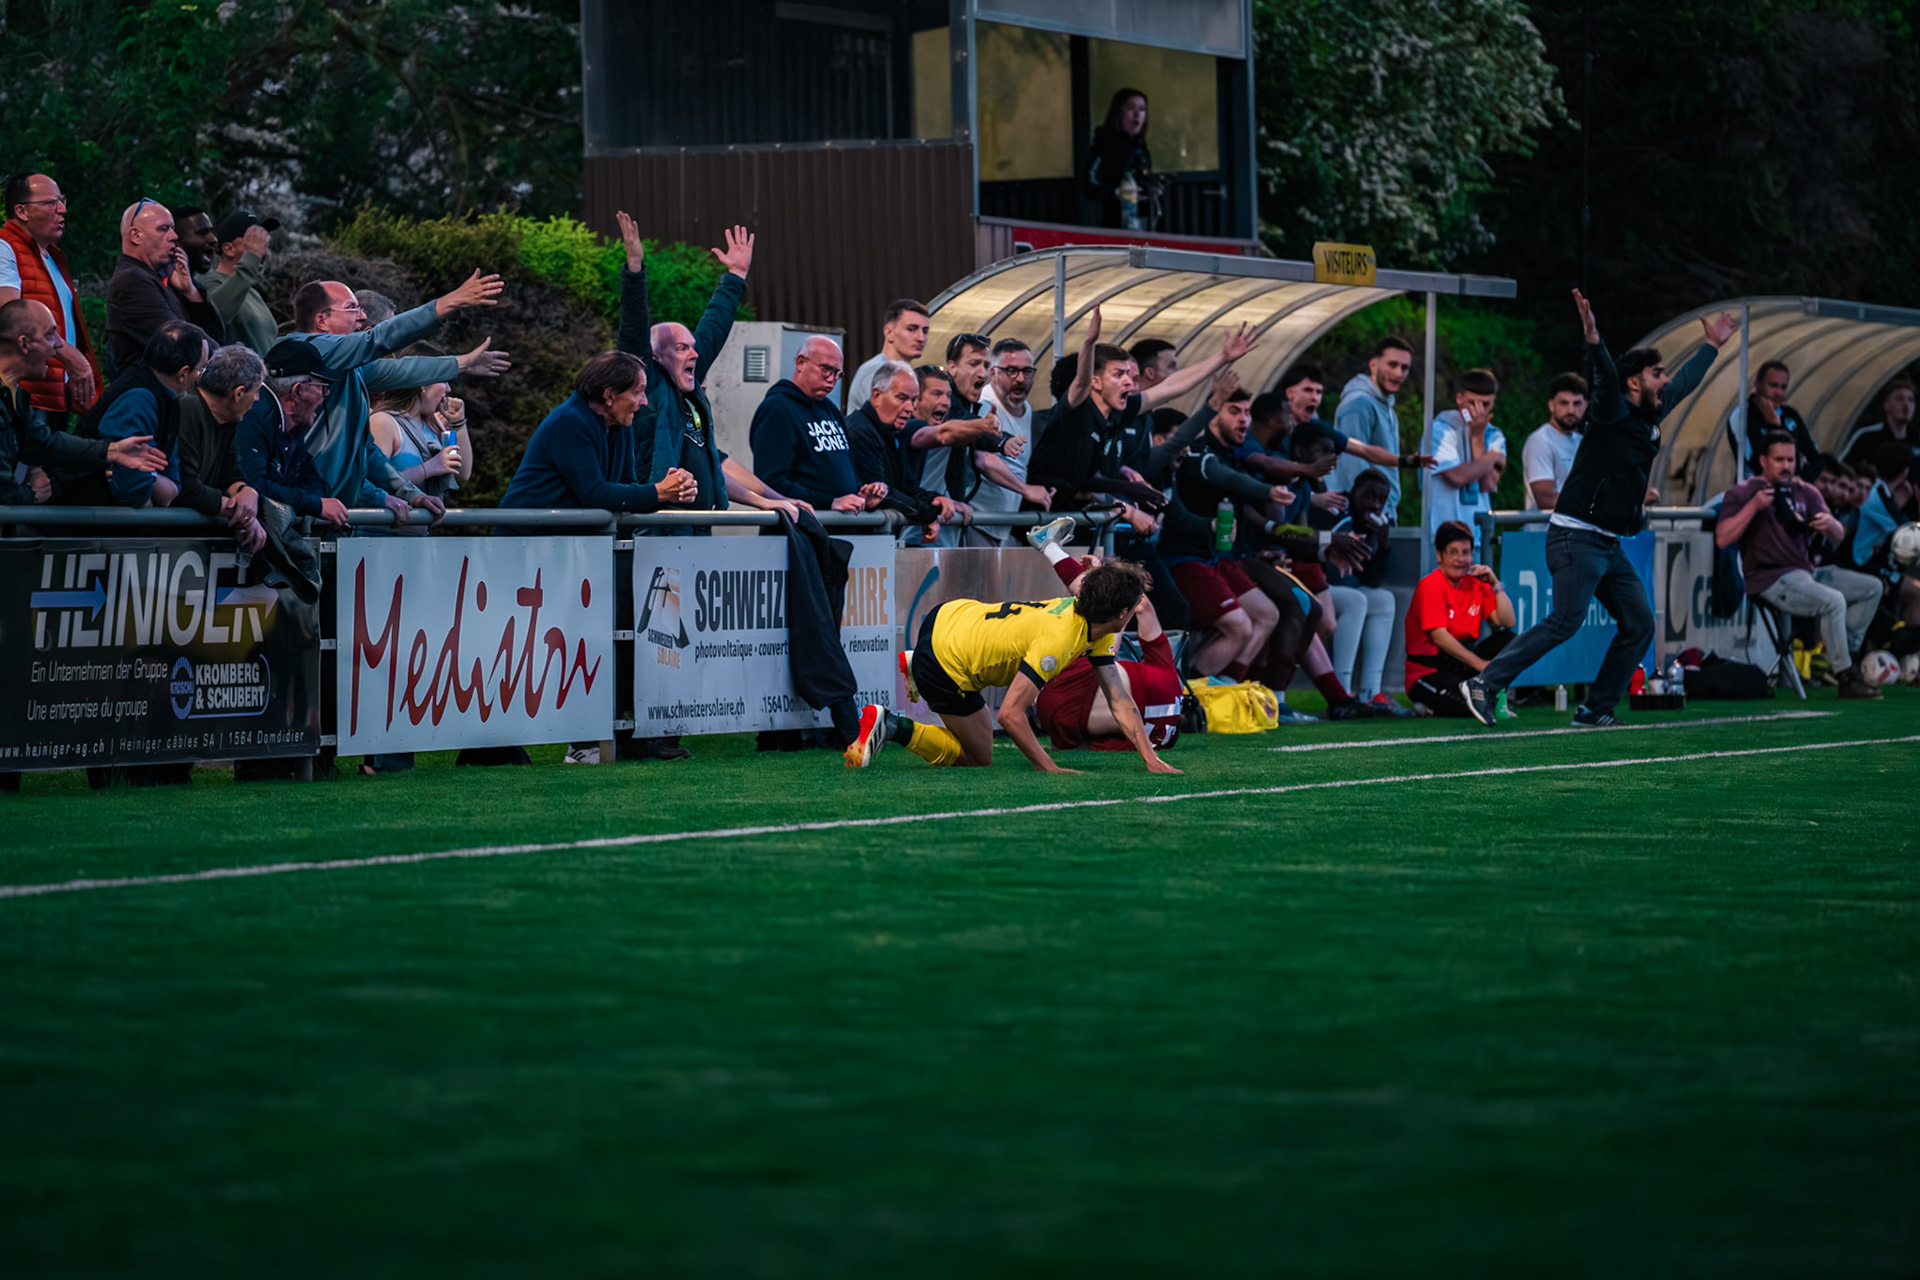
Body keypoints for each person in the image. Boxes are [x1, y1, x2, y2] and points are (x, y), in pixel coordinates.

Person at [1463, 290, 1735, 729]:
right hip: (1575, 535)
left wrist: (1713, 345)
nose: (1665, 381)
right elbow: (1607, 377)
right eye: (1656, 374)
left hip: (1606, 543)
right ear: (1634, 382)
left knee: (1639, 624)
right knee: (1565, 621)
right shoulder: (1611, 411)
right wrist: (1593, 339)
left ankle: (1595, 709)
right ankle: (1485, 683)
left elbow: (1686, 381)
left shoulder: (1651, 416)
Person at [1026, 305, 1260, 629]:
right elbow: (1079, 385)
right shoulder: (1076, 410)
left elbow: (1169, 387)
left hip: (1081, 531)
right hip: (1041, 534)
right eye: (1119, 374)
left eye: (1131, 375)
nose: (1129, 383)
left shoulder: (1119, 413)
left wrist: (1222, 358)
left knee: (1138, 617)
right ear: (1095, 381)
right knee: (1080, 627)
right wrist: (1090, 342)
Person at [843, 559, 1179, 775]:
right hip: (945, 660)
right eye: (1135, 605)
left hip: (951, 616)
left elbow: (1119, 699)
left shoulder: (1095, 623)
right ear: (1121, 613)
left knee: (979, 736)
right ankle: (892, 725)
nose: (1138, 608)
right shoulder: (1060, 640)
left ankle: (919, 662)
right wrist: (1048, 767)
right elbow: (1011, 714)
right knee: (978, 757)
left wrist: (1150, 759)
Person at [609, 212, 801, 528]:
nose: (695, 353)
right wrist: (634, 268)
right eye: (682, 347)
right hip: (657, 530)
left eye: (693, 346)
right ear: (656, 357)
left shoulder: (691, 387)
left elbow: (714, 325)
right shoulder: (649, 386)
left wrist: (736, 275)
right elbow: (632, 326)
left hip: (699, 529)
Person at [273, 271, 509, 521]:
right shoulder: (313, 350)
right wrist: (447, 303)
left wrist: (461, 364)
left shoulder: (346, 367)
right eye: (352, 308)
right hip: (299, 512)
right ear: (321, 320)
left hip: (324, 513)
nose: (362, 316)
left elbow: (403, 371)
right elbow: (378, 341)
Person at [1715, 431, 1882, 699]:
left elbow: (1838, 534)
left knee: (1872, 587)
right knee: (1834, 600)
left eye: (1791, 460)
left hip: (1806, 573)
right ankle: (1845, 676)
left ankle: (1847, 656)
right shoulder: (1745, 492)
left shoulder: (1806, 490)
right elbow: (1723, 538)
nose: (1786, 466)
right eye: (1779, 459)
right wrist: (1754, 507)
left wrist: (1830, 526)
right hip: (1769, 577)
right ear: (1763, 460)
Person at [1160, 386, 1286, 679]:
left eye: (1247, 412)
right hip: (1183, 559)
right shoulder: (1199, 452)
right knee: (1239, 626)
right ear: (1212, 416)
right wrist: (1269, 491)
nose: (1244, 419)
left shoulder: (1233, 453)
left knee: (1269, 615)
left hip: (1215, 558)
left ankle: (1225, 689)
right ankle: (1191, 697)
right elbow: (1225, 478)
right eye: (1234, 411)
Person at [0, 299, 167, 507]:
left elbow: (45, 444)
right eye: (50, 335)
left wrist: (112, 450)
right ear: (24, 343)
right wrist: (31, 495)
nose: (56, 348)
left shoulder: (14, 395)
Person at [1025, 537, 1186, 754]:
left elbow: (1141, 605)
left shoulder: (1169, 676)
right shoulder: (1161, 737)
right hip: (1061, 722)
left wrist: (1102, 576)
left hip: (1076, 681)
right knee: (1107, 625)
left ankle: (1050, 546)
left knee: (1106, 616)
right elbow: (1100, 746)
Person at [500, 351, 695, 512]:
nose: (644, 401)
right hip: (527, 541)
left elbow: (625, 490)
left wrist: (674, 490)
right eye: (638, 392)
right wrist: (659, 491)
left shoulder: (620, 424)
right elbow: (594, 494)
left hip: (564, 542)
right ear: (609, 396)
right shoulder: (569, 423)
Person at [68, 320, 213, 508]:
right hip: (85, 522)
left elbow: (172, 489)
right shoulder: (138, 401)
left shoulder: (167, 398)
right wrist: (151, 484)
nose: (200, 377)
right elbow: (135, 495)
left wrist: (150, 477)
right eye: (201, 369)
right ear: (183, 373)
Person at [0, 173, 99, 420]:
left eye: (61, 200)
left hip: (52, 393)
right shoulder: (4, 247)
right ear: (22, 212)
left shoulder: (52, 257)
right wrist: (68, 354)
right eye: (51, 203)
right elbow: (11, 314)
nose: (63, 209)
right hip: (24, 395)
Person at [749, 335, 883, 514]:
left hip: (837, 528)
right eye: (826, 369)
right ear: (801, 362)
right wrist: (830, 502)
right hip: (799, 530)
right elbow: (771, 482)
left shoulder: (829, 408)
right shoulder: (777, 409)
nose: (831, 379)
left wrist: (861, 493)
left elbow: (846, 469)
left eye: (837, 373)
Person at [1404, 521, 1518, 716]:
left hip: (1462, 664)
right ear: (1440, 555)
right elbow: (1440, 636)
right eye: (1453, 552)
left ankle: (1491, 695)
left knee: (1509, 639)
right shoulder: (1430, 585)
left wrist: (1495, 584)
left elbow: (1507, 621)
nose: (1460, 559)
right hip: (1429, 672)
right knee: (1471, 708)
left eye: (1465, 552)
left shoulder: (1476, 582)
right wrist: (1480, 665)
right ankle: (1430, 704)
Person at [104, 199, 224, 371]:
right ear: (136, 236)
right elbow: (180, 342)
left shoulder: (156, 277)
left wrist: (190, 292)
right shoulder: (132, 281)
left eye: (173, 228)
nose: (174, 236)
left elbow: (215, 335)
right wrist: (227, 360)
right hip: (150, 393)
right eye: (163, 229)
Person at [173, 343, 271, 554]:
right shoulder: (188, 409)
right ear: (238, 393)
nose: (257, 399)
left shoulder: (229, 419)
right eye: (256, 391)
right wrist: (241, 513)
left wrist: (247, 492)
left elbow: (230, 474)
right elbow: (186, 487)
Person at [1326, 470, 1406, 711]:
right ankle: (1341, 692)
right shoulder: (1339, 514)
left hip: (1344, 591)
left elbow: (1373, 581)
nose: (1374, 505)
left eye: (1381, 500)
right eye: (1368, 496)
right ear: (1353, 493)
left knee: (1384, 599)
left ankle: (1371, 691)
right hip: (1316, 587)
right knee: (1356, 600)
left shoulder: (1373, 525)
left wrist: (1383, 544)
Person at [845, 361, 950, 541]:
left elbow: (906, 488)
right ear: (877, 396)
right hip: (856, 544)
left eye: (914, 399)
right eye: (902, 398)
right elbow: (882, 496)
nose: (910, 408)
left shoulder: (892, 433)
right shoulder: (859, 432)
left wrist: (934, 499)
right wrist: (927, 514)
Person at [1421, 369, 1507, 571]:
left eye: (1485, 405)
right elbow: (1457, 476)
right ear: (1459, 398)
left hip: (1477, 537)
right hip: (1444, 537)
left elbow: (1488, 483)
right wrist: (1492, 456)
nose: (1478, 411)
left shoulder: (1493, 434)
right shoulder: (1440, 429)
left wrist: (1477, 439)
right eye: (1472, 403)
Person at [970, 338, 1054, 544]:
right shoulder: (984, 404)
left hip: (1003, 525)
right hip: (977, 521)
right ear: (993, 373)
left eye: (1027, 372)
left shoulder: (1027, 410)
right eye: (1011, 371)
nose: (1020, 379)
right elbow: (983, 458)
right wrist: (1026, 489)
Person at [367, 346, 468, 504]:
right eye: (444, 379)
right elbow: (374, 483)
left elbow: (463, 474)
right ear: (423, 383)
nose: (449, 388)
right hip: (379, 528)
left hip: (423, 528)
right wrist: (428, 468)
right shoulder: (383, 422)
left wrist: (458, 423)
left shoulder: (433, 423)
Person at [1333, 337, 1415, 517]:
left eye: (1404, 367)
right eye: (1392, 364)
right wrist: (1370, 513)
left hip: (1381, 511)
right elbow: (1351, 463)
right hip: (1365, 514)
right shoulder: (1358, 404)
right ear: (1373, 365)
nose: (1399, 373)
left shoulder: (1387, 406)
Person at [195, 211, 280, 355]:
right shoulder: (206, 280)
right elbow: (216, 316)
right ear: (228, 249)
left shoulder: (251, 291)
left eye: (263, 241)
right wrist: (252, 256)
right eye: (253, 240)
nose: (262, 248)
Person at [1735, 360, 1822, 481]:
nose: (1779, 393)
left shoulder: (1790, 415)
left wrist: (1801, 480)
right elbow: (1755, 462)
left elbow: (1815, 459)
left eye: (1783, 387)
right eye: (1773, 385)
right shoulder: (1742, 416)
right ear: (1758, 384)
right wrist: (1774, 428)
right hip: (1756, 491)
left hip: (1789, 491)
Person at [1083, 87, 1154, 230]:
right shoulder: (1105, 142)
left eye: (1141, 109)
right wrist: (1117, 193)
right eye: (1130, 108)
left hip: (1141, 224)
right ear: (1118, 112)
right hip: (1113, 226)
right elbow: (1088, 186)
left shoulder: (1140, 144)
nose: (1137, 115)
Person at [848, 299, 930, 414]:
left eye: (925, 331)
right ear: (889, 333)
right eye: (911, 329)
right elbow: (885, 422)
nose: (921, 338)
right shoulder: (875, 371)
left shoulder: (904, 374)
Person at [1523, 373, 1589, 511]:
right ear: (1551, 405)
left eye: (1577, 403)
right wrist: (1594, 502)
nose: (1571, 410)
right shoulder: (1540, 441)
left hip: (1575, 529)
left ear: (1585, 406)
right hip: (1544, 530)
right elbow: (1545, 498)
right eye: (1564, 403)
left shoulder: (1584, 442)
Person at [1842, 379, 1918, 476]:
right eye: (1899, 399)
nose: (1906, 405)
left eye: (1911, 400)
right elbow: (1843, 467)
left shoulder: (1917, 440)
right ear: (1886, 405)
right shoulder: (1867, 437)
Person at [173, 207, 218, 276]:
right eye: (202, 232)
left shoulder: (196, 285)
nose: (213, 239)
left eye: (211, 232)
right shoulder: (157, 284)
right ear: (176, 240)